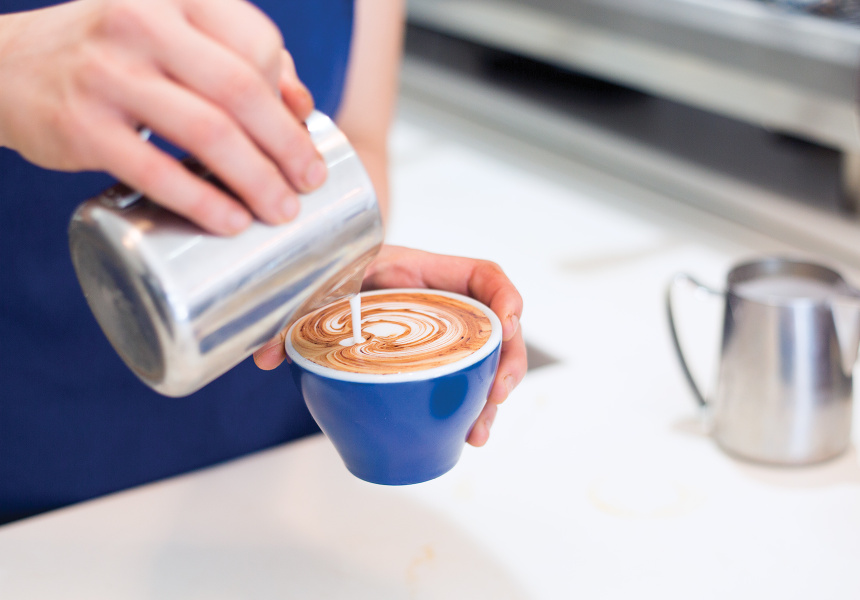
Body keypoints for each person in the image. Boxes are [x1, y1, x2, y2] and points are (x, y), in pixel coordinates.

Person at [0, 0, 527, 524]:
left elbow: (359, 137)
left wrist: (332, 261)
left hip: (271, 450)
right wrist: (12, 55)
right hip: (29, 448)